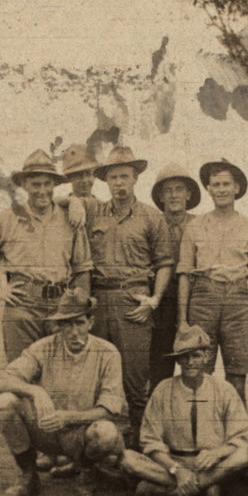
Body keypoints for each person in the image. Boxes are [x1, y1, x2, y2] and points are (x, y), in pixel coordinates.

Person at [0, 149, 92, 363]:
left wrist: (78, 310)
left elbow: (82, 268)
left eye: (47, 184)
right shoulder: (8, 218)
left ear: (54, 185)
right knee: (22, 372)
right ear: (24, 185)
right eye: (35, 184)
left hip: (60, 308)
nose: (42, 191)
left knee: (59, 371)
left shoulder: (71, 219)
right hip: (22, 309)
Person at [0, 288, 126, 496]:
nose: (74, 332)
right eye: (66, 324)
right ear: (58, 326)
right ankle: (28, 475)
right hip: (47, 430)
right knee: (6, 402)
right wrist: (35, 391)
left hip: (82, 433)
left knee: (107, 433)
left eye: (79, 323)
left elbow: (109, 409)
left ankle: (86, 470)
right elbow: (3, 380)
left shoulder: (108, 353)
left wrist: (68, 417)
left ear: (90, 323)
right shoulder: (43, 347)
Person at [82, 146, 175, 446]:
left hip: (133, 304)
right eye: (113, 177)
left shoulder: (151, 217)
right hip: (98, 302)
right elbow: (61, 202)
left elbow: (164, 263)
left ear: (135, 178)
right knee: (95, 379)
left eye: (124, 176)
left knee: (135, 382)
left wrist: (155, 299)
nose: (119, 183)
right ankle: (94, 450)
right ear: (106, 182)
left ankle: (142, 446)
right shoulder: (93, 213)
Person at [121, 326, 248, 496]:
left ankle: (174, 492)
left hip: (210, 466)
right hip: (172, 465)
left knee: (242, 456)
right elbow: (150, 442)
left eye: (196, 356)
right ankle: (203, 487)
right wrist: (177, 469)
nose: (190, 362)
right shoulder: (163, 389)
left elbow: (241, 437)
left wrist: (216, 454)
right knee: (128, 459)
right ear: (178, 361)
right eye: (185, 357)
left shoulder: (223, 389)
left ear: (206, 356)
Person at [178, 158, 248, 407]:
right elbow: (184, 274)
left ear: (237, 188)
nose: (221, 189)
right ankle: (201, 432)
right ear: (208, 189)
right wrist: (183, 321)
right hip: (203, 297)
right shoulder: (195, 226)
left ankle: (237, 435)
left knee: (237, 372)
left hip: (238, 301)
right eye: (215, 184)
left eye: (226, 184)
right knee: (198, 369)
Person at [148, 163, 201, 393]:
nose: (174, 195)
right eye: (168, 190)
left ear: (188, 194)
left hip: (195, 301)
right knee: (160, 364)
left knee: (194, 361)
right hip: (161, 303)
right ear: (160, 196)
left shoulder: (200, 224)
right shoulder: (152, 222)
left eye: (179, 189)